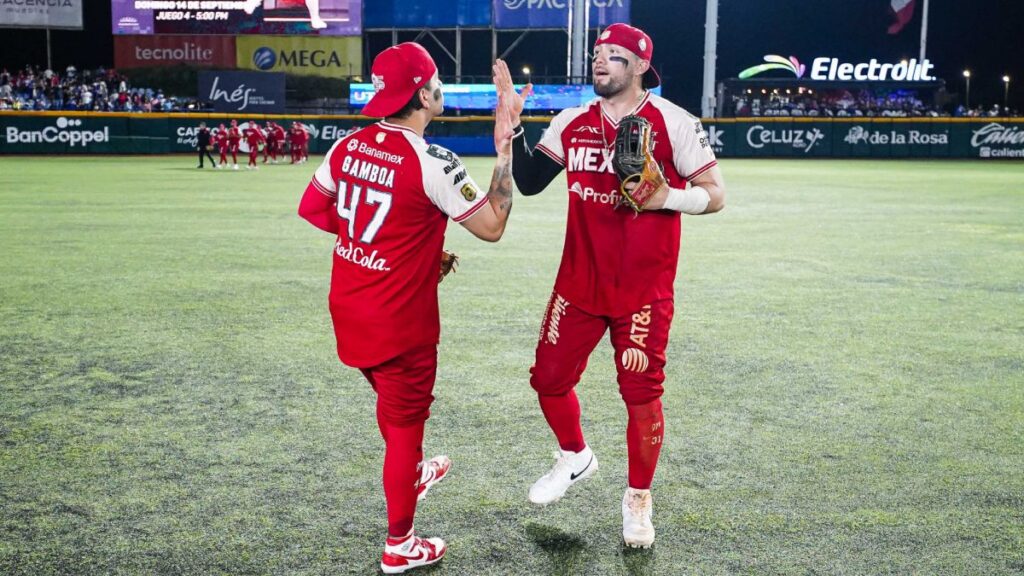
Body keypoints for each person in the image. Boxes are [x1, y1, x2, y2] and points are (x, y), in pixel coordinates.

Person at [493, 23, 726, 548]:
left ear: (641, 67)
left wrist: (665, 196)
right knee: (547, 380)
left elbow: (715, 195)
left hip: (643, 290)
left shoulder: (675, 122)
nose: (601, 62)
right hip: (577, 283)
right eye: (598, 54)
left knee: (640, 396)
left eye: (615, 57)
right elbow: (529, 183)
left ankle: (638, 497)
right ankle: (576, 457)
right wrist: (513, 129)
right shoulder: (572, 121)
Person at [297, 42, 516, 573]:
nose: (440, 87)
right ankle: (400, 544)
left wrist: (386, 246)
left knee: (395, 412)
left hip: (349, 307)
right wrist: (504, 147)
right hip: (400, 321)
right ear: (422, 93)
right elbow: (492, 227)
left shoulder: (348, 145)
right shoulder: (435, 162)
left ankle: (410, 471)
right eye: (436, 80)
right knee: (405, 426)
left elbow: (312, 208)